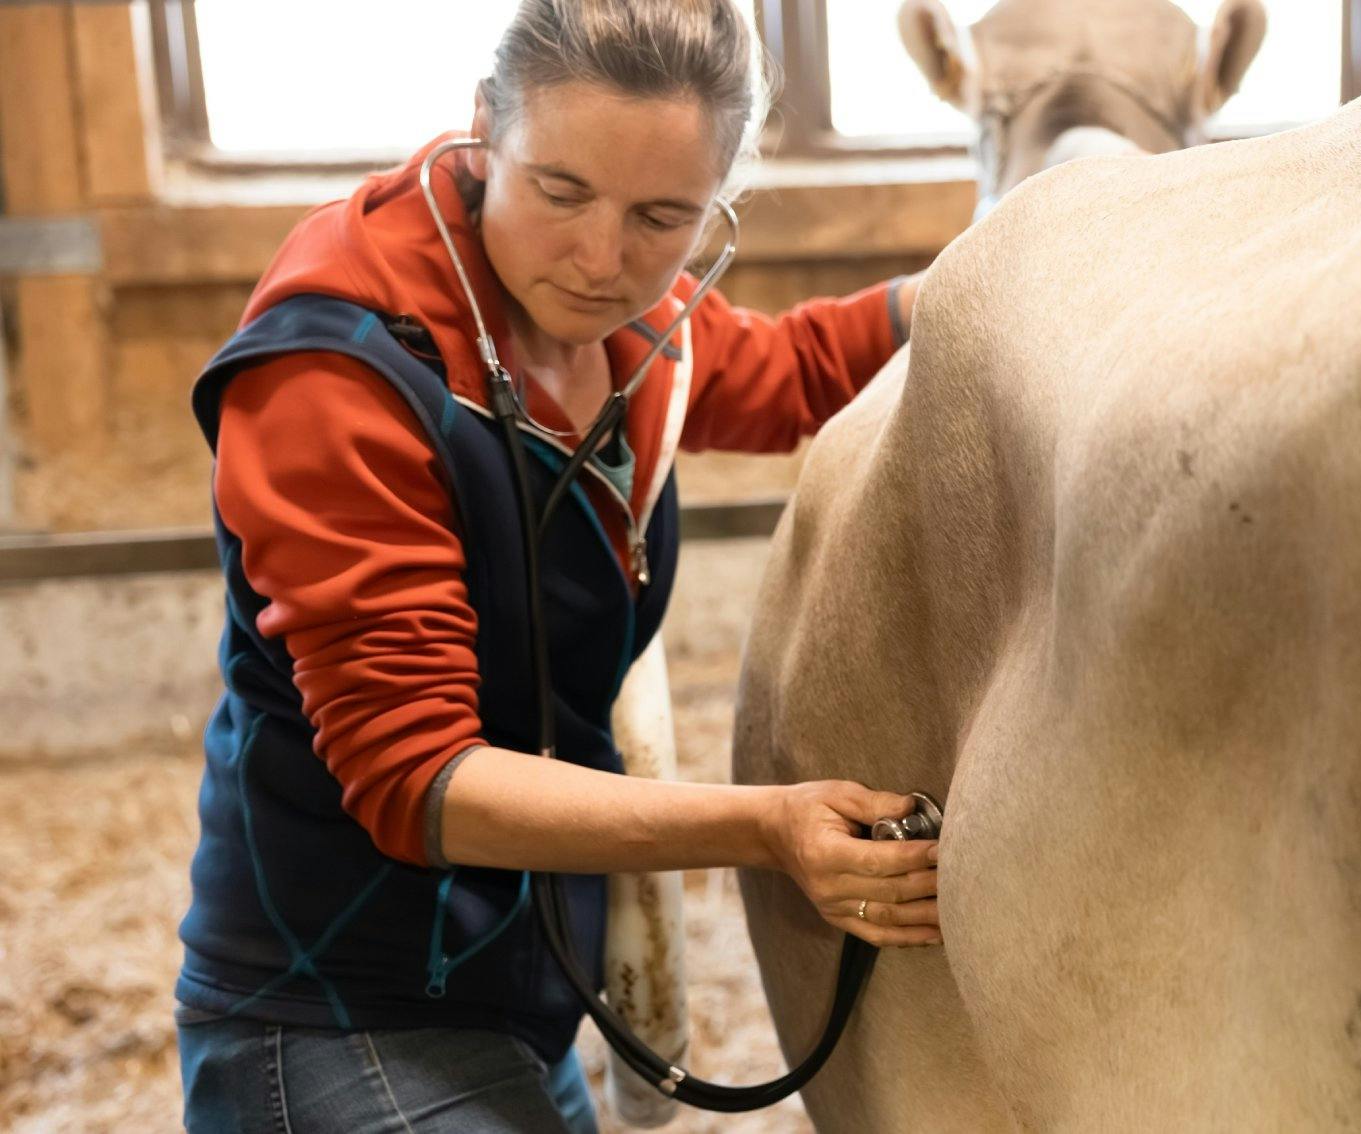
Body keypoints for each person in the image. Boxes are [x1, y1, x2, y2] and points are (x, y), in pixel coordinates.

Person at [173, 2, 939, 1130]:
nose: (599, 259)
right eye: (560, 191)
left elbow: (787, 366)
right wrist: (767, 827)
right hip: (332, 1010)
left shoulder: (628, 332)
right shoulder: (338, 373)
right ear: (485, 126)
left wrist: (985, 281)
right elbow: (417, 782)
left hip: (515, 996)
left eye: (661, 216)